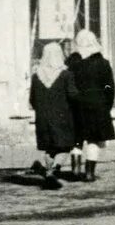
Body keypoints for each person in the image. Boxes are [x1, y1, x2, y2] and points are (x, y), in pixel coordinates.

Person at [67, 29, 115, 183]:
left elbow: (67, 86)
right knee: (94, 140)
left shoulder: (71, 63)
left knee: (76, 139)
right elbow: (109, 87)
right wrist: (106, 104)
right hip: (98, 106)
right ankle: (89, 173)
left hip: (76, 105)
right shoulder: (103, 63)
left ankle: (75, 170)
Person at [27, 44, 78, 188]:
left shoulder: (37, 76)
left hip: (43, 118)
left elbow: (32, 99)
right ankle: (54, 170)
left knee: (49, 147)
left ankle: (49, 171)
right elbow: (73, 95)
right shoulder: (66, 75)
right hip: (63, 117)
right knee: (65, 147)